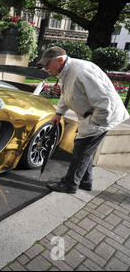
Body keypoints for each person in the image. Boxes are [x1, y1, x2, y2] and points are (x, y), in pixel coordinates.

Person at [40, 46, 129, 194]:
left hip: (101, 116)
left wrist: (94, 123)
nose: (45, 67)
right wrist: (58, 113)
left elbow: (105, 101)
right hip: (92, 116)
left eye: (47, 64)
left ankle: (70, 185)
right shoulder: (67, 72)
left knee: (81, 151)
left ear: (60, 60)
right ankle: (85, 182)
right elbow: (65, 94)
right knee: (85, 151)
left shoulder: (81, 72)